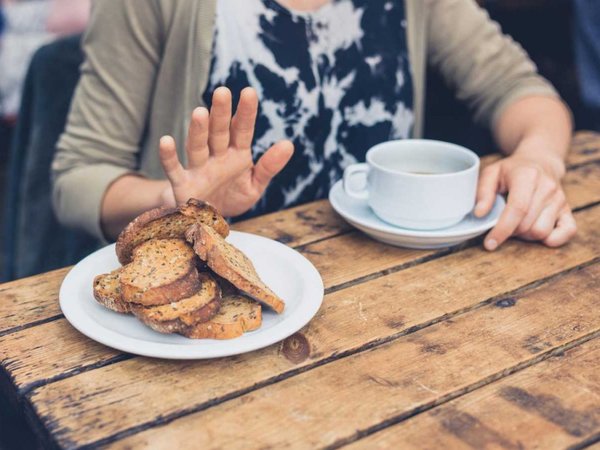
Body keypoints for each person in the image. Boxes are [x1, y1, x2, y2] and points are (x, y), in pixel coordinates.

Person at [51, 0, 576, 252]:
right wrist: (179, 203)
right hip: (214, 308)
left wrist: (538, 159)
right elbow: (76, 179)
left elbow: (520, 90)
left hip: (394, 296)